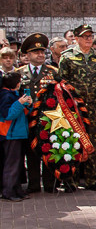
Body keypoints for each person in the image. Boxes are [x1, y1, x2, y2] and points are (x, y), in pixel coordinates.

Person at [58, 24, 96, 191]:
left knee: (93, 143)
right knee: (73, 142)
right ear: (77, 38)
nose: (88, 39)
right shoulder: (67, 57)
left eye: (90, 36)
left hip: (94, 107)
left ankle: (91, 180)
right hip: (74, 108)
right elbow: (61, 85)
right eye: (85, 36)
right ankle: (71, 180)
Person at [16, 33, 58, 194]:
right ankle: (34, 184)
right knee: (31, 152)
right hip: (27, 120)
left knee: (48, 150)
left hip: (48, 119)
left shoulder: (53, 71)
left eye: (42, 52)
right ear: (27, 55)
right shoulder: (19, 73)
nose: (40, 55)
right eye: (36, 52)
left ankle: (49, 183)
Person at [0, 72, 31, 202]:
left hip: (17, 133)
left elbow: (22, 113)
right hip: (10, 134)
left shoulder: (13, 94)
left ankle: (17, 189)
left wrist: (28, 105)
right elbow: (8, 114)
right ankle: (8, 191)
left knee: (18, 164)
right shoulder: (5, 95)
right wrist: (19, 103)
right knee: (11, 164)